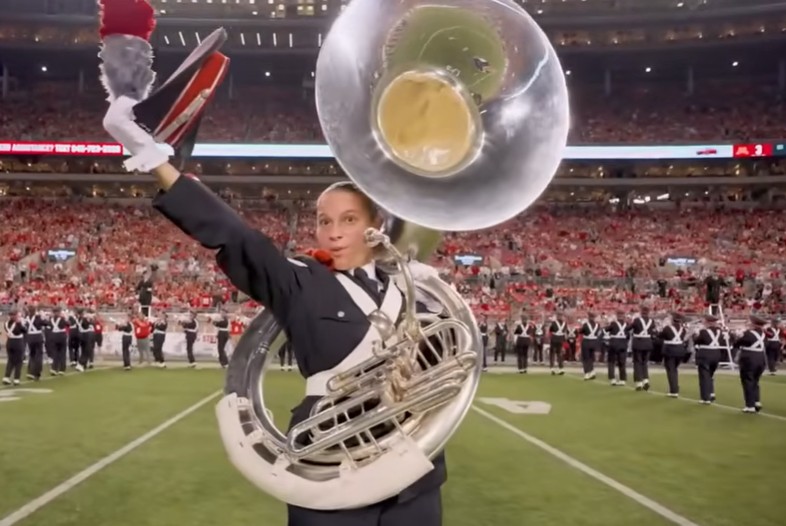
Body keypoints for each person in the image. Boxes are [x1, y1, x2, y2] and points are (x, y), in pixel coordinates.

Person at [103, 98, 446, 525]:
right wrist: (155, 160)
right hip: (329, 468)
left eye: (349, 220)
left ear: (375, 225)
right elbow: (238, 238)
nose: (334, 232)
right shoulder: (300, 280)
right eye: (323, 221)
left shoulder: (412, 290)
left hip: (413, 476)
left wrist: (431, 317)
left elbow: (447, 365)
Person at [691, 314, 728, 404]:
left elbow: (697, 341)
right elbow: (721, 341)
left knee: (704, 376)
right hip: (716, 354)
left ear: (707, 322)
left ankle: (705, 397)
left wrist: (695, 334)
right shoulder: (719, 331)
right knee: (710, 375)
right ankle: (711, 393)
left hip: (705, 354)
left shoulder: (704, 331)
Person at [735, 315, 768, 413]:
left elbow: (737, 343)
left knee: (748, 381)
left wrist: (738, 336)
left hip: (749, 359)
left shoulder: (748, 333)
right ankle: (756, 401)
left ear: (753, 324)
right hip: (761, 358)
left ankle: (750, 405)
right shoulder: (764, 334)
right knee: (755, 381)